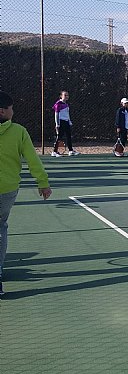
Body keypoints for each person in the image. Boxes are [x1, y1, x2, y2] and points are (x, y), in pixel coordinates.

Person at [0, 91, 52, 297]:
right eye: (11, 108)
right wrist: (43, 183)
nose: (14, 111)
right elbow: (33, 160)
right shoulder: (19, 131)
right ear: (3, 111)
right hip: (7, 190)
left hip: (7, 190)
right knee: (0, 227)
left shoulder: (19, 130)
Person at [51, 90, 80, 157]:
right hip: (61, 122)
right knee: (59, 137)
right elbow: (56, 114)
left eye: (67, 95)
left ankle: (71, 151)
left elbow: (67, 114)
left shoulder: (66, 104)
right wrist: (57, 124)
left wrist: (69, 121)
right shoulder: (58, 104)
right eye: (65, 95)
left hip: (66, 122)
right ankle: (54, 152)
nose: (67, 96)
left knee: (69, 136)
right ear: (61, 96)